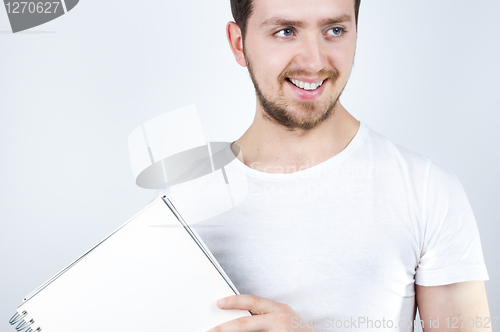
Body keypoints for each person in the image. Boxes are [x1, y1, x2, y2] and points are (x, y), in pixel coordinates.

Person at [158, 0, 492, 331]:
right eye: (285, 31)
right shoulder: (182, 201)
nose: (314, 61)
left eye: (335, 30)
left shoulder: (426, 190)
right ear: (239, 43)